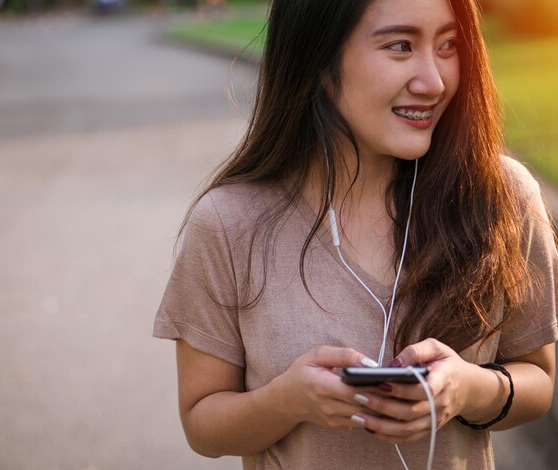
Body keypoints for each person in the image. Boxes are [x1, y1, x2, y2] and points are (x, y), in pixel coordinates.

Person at [153, 0, 558, 468]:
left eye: (448, 45)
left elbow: (540, 382)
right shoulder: (228, 223)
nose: (436, 81)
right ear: (319, 59)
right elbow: (203, 426)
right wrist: (289, 401)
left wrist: (468, 389)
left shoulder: (502, 198)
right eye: (401, 46)